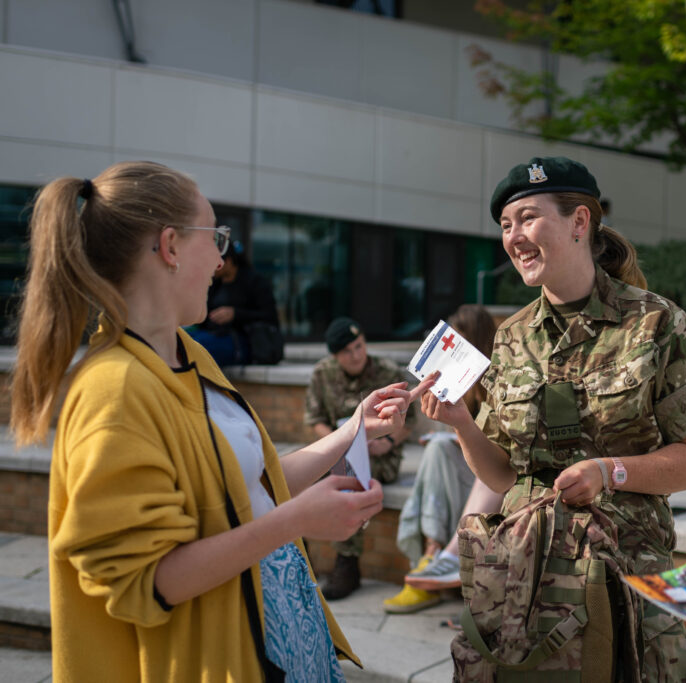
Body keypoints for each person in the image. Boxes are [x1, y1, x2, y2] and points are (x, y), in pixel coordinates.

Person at [9, 161, 433, 682]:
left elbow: (245, 486)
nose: (221, 257)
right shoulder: (113, 390)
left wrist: (352, 429)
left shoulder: (187, 355)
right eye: (216, 237)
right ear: (170, 246)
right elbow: (147, 581)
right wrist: (297, 521)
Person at [420, 156, 686, 680]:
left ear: (580, 222)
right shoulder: (510, 337)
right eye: (506, 225)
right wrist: (461, 424)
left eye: (529, 218)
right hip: (525, 584)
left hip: (621, 582)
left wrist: (610, 472)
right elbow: (504, 478)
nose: (514, 236)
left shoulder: (656, 323)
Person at [384, 304, 502, 614]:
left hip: (494, 474)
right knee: (437, 449)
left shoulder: (499, 377)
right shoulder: (454, 377)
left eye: (460, 340)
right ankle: (432, 554)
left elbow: (501, 443)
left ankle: (441, 558)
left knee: (440, 452)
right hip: (468, 467)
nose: (453, 348)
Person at [304, 316, 416, 599]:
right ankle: (300, 557)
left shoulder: (387, 372)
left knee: (349, 470)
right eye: (347, 351)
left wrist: (388, 441)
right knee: (303, 475)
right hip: (337, 449)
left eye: (359, 346)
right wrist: (336, 442)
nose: (356, 355)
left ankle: (347, 563)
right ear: (335, 355)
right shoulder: (322, 374)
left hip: (380, 454)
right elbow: (315, 419)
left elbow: (410, 419)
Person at [188, 239, 280, 366]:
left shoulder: (254, 282)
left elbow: (269, 316)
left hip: (243, 341)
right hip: (213, 334)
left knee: (198, 347)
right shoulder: (215, 284)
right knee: (182, 340)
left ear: (228, 261)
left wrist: (235, 314)